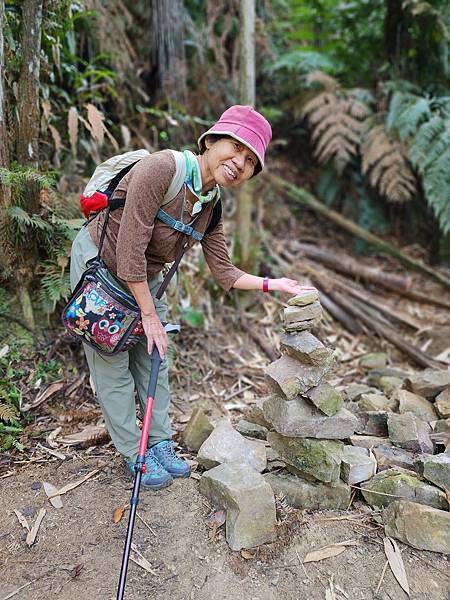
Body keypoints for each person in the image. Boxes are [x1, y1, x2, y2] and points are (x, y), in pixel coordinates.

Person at [70, 105, 314, 491]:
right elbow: (131, 247)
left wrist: (276, 284)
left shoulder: (210, 205)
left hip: (146, 279)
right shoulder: (160, 169)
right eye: (235, 148)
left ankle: (160, 441)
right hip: (103, 267)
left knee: (156, 359)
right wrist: (149, 316)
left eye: (250, 161)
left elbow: (226, 274)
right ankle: (136, 454)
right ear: (211, 140)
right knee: (113, 366)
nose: (238, 163)